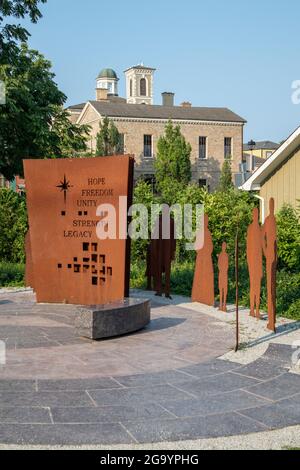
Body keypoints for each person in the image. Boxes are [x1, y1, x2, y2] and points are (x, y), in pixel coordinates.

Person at [262, 198, 277, 332]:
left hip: (274, 255)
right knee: (269, 286)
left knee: (273, 287)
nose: (272, 207)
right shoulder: (267, 220)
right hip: (269, 256)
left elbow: (274, 239)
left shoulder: (274, 219)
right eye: (271, 205)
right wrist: (265, 250)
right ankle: (271, 321)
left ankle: (272, 321)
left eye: (273, 205)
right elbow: (263, 237)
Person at [192, 214, 214, 306]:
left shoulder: (208, 232)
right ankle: (198, 296)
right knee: (199, 275)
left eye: (207, 220)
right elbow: (196, 246)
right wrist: (201, 252)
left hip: (207, 258)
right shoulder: (199, 232)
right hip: (201, 258)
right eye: (204, 220)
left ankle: (207, 298)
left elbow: (211, 246)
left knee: (207, 276)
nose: (206, 222)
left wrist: (207, 252)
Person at [247, 207, 263, 319]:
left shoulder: (260, 229)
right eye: (254, 214)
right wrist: (249, 263)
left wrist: (261, 266)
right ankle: (252, 309)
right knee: (253, 287)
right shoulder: (251, 228)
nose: (256, 216)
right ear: (253, 215)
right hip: (252, 262)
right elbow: (248, 248)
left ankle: (257, 310)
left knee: (258, 287)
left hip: (258, 262)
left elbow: (262, 248)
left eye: (257, 214)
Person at [218, 242, 229, 312]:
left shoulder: (226, 255)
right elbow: (218, 264)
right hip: (221, 273)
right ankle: (220, 305)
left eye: (225, 246)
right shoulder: (220, 255)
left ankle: (224, 304)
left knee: (225, 289)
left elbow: (227, 265)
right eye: (223, 246)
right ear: (222, 247)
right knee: (220, 289)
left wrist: (224, 270)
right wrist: (221, 270)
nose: (224, 247)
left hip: (225, 274)